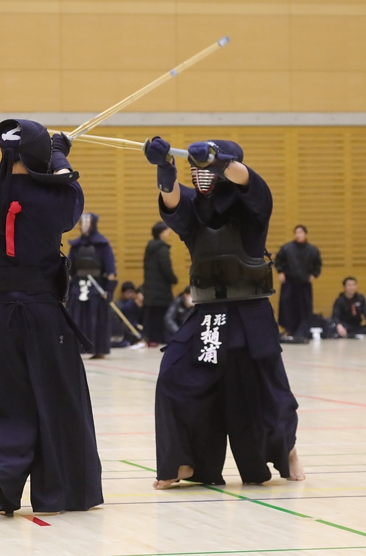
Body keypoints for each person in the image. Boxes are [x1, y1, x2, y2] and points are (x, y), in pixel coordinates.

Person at [0, 119, 102, 521]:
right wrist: (58, 158)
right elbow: (72, 193)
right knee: (58, 401)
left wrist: (8, 164)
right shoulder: (56, 198)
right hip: (45, 316)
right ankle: (62, 492)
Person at [144, 135, 304, 489]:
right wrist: (165, 170)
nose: (200, 175)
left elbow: (247, 181)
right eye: (196, 169)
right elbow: (173, 200)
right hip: (208, 314)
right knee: (173, 377)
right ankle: (183, 460)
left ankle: (287, 449)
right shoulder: (194, 207)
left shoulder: (253, 204)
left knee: (269, 395)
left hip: (250, 311)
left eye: (206, 168)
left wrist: (218, 161)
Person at [67, 213, 117, 359]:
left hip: (97, 287)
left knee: (97, 319)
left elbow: (111, 270)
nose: (84, 226)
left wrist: (109, 290)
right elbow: (69, 269)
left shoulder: (103, 245)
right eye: (82, 223)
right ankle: (76, 348)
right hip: (78, 287)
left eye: (87, 223)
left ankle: (99, 349)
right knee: (76, 317)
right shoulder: (75, 246)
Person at [274, 225, 322, 339]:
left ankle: (303, 331)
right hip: (289, 282)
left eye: (300, 232)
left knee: (304, 308)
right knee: (287, 307)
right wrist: (280, 272)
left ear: (305, 234)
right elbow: (278, 260)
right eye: (296, 232)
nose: (298, 235)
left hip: (304, 283)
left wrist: (314, 275)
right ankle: (288, 330)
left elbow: (318, 264)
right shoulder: (287, 248)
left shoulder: (312, 249)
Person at [143, 221, 178, 346]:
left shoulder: (149, 248)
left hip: (150, 289)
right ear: (161, 233)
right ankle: (161, 338)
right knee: (163, 315)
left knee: (152, 315)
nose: (168, 233)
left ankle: (152, 339)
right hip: (161, 289)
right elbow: (166, 268)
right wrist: (174, 279)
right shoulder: (162, 249)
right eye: (167, 231)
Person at [110, 282, 144, 348]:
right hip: (123, 331)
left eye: (132, 292)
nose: (130, 294)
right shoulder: (119, 305)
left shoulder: (138, 305)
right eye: (128, 292)